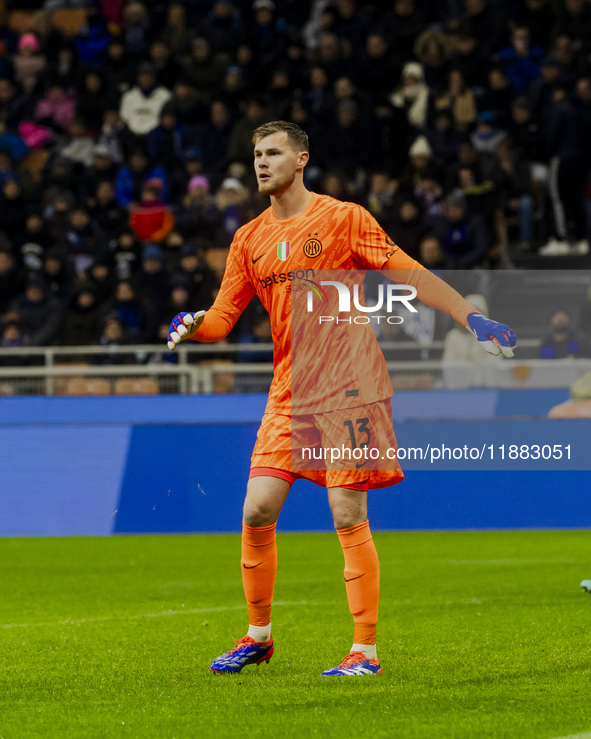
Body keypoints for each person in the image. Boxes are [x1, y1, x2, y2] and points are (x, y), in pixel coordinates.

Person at [167, 121, 516, 677]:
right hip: (290, 389)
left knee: (346, 510)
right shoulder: (248, 238)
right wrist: (194, 325)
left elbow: (410, 272)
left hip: (349, 383)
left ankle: (365, 651)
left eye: (273, 152)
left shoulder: (343, 218)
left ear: (302, 158)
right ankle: (258, 636)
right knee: (257, 508)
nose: (261, 163)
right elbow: (224, 319)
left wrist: (467, 314)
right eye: (256, 154)